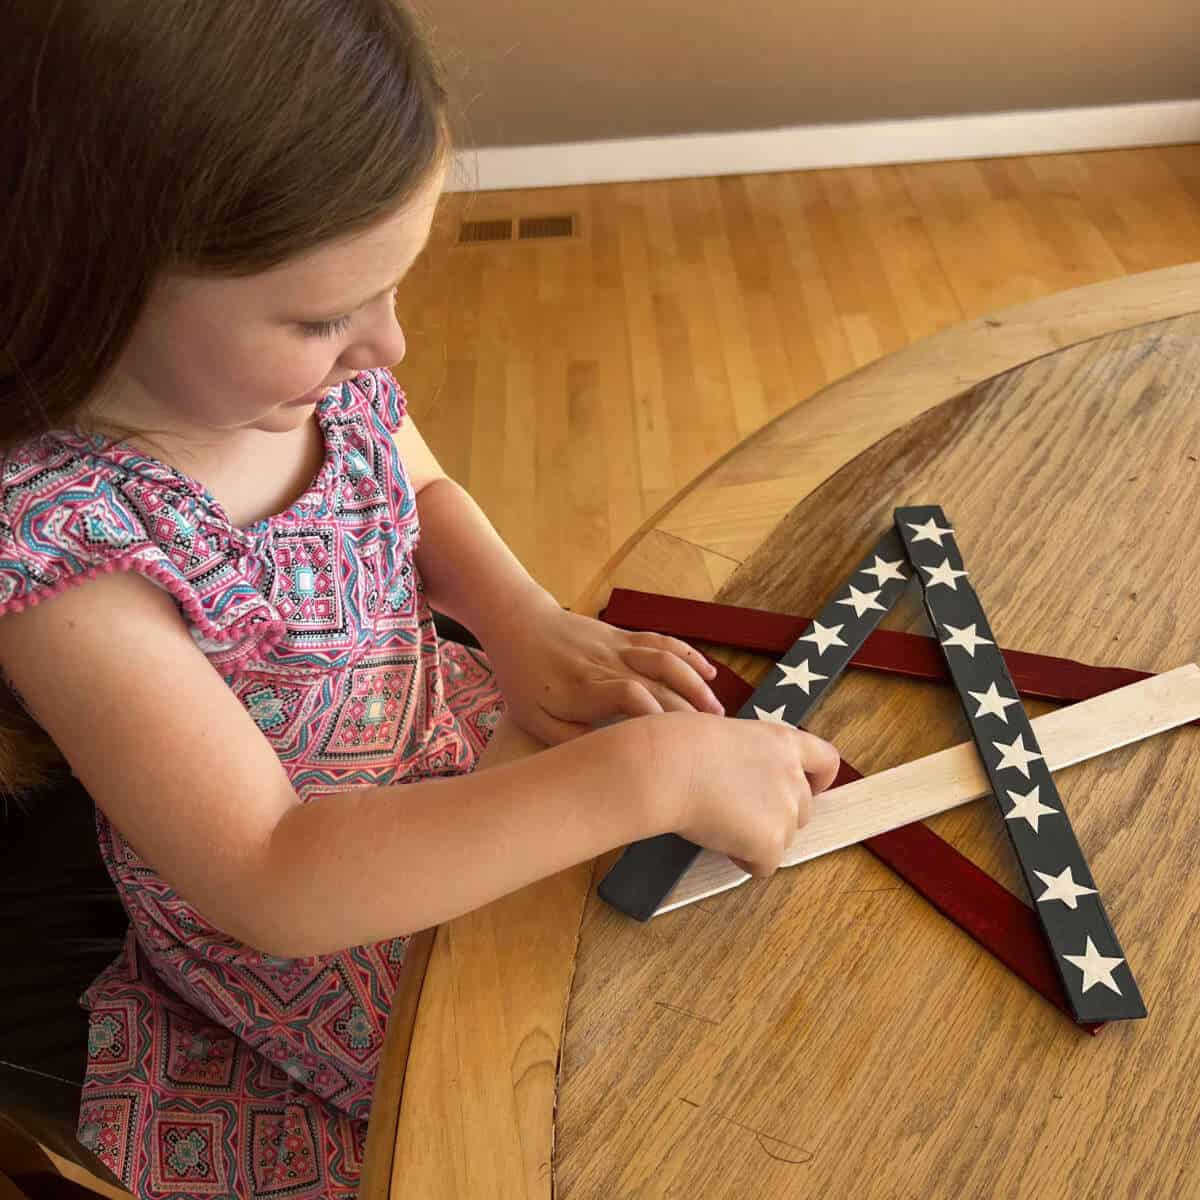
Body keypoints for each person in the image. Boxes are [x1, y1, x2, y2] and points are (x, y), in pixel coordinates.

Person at [0, 2, 841, 1195]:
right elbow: (274, 871)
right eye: (324, 316)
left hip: (450, 727)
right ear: (90, 282)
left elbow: (417, 482)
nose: (387, 346)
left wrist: (524, 617)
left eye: (392, 289)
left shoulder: (296, 387)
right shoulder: (65, 553)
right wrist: (641, 777)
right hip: (337, 910)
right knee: (614, 1103)